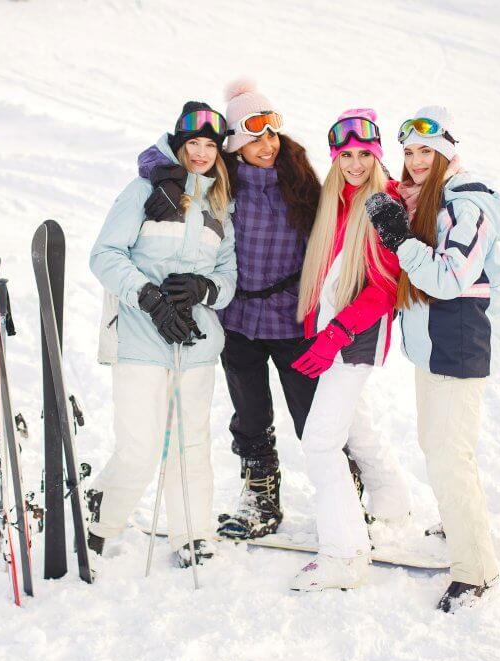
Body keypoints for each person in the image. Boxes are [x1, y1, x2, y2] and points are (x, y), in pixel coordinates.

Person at [140, 80, 323, 539]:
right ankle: (259, 494)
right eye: (255, 137)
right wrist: (162, 178)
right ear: (236, 145)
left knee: (314, 415)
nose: (267, 146)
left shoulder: (301, 181)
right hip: (239, 319)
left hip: (292, 319)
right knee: (250, 413)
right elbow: (161, 156)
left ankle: (342, 493)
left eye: (272, 135)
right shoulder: (223, 181)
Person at [365, 105, 500, 611]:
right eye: (408, 152)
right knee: (436, 445)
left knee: (451, 457)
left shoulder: (466, 205)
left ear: (447, 150)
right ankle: (457, 525)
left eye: (425, 150)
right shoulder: (431, 200)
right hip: (434, 346)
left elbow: (450, 277)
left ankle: (476, 570)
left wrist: (401, 241)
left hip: (457, 342)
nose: (414, 161)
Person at [87, 101, 238, 568]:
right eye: (193, 143)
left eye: (210, 145)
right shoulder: (143, 192)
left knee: (191, 442)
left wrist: (204, 288)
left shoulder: (219, 205)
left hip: (193, 344)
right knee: (141, 445)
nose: (200, 153)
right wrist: (149, 297)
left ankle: (192, 534)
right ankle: (99, 523)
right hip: (139, 340)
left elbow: (228, 277)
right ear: (177, 143)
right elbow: (105, 255)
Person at [288, 109, 413, 592]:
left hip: (353, 337)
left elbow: (385, 288)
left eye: (365, 154)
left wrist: (337, 334)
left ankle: (344, 554)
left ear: (377, 156)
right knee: (356, 426)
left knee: (320, 440)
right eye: (346, 155)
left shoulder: (382, 205)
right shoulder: (335, 200)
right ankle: (391, 505)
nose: (356, 164)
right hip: (332, 333)